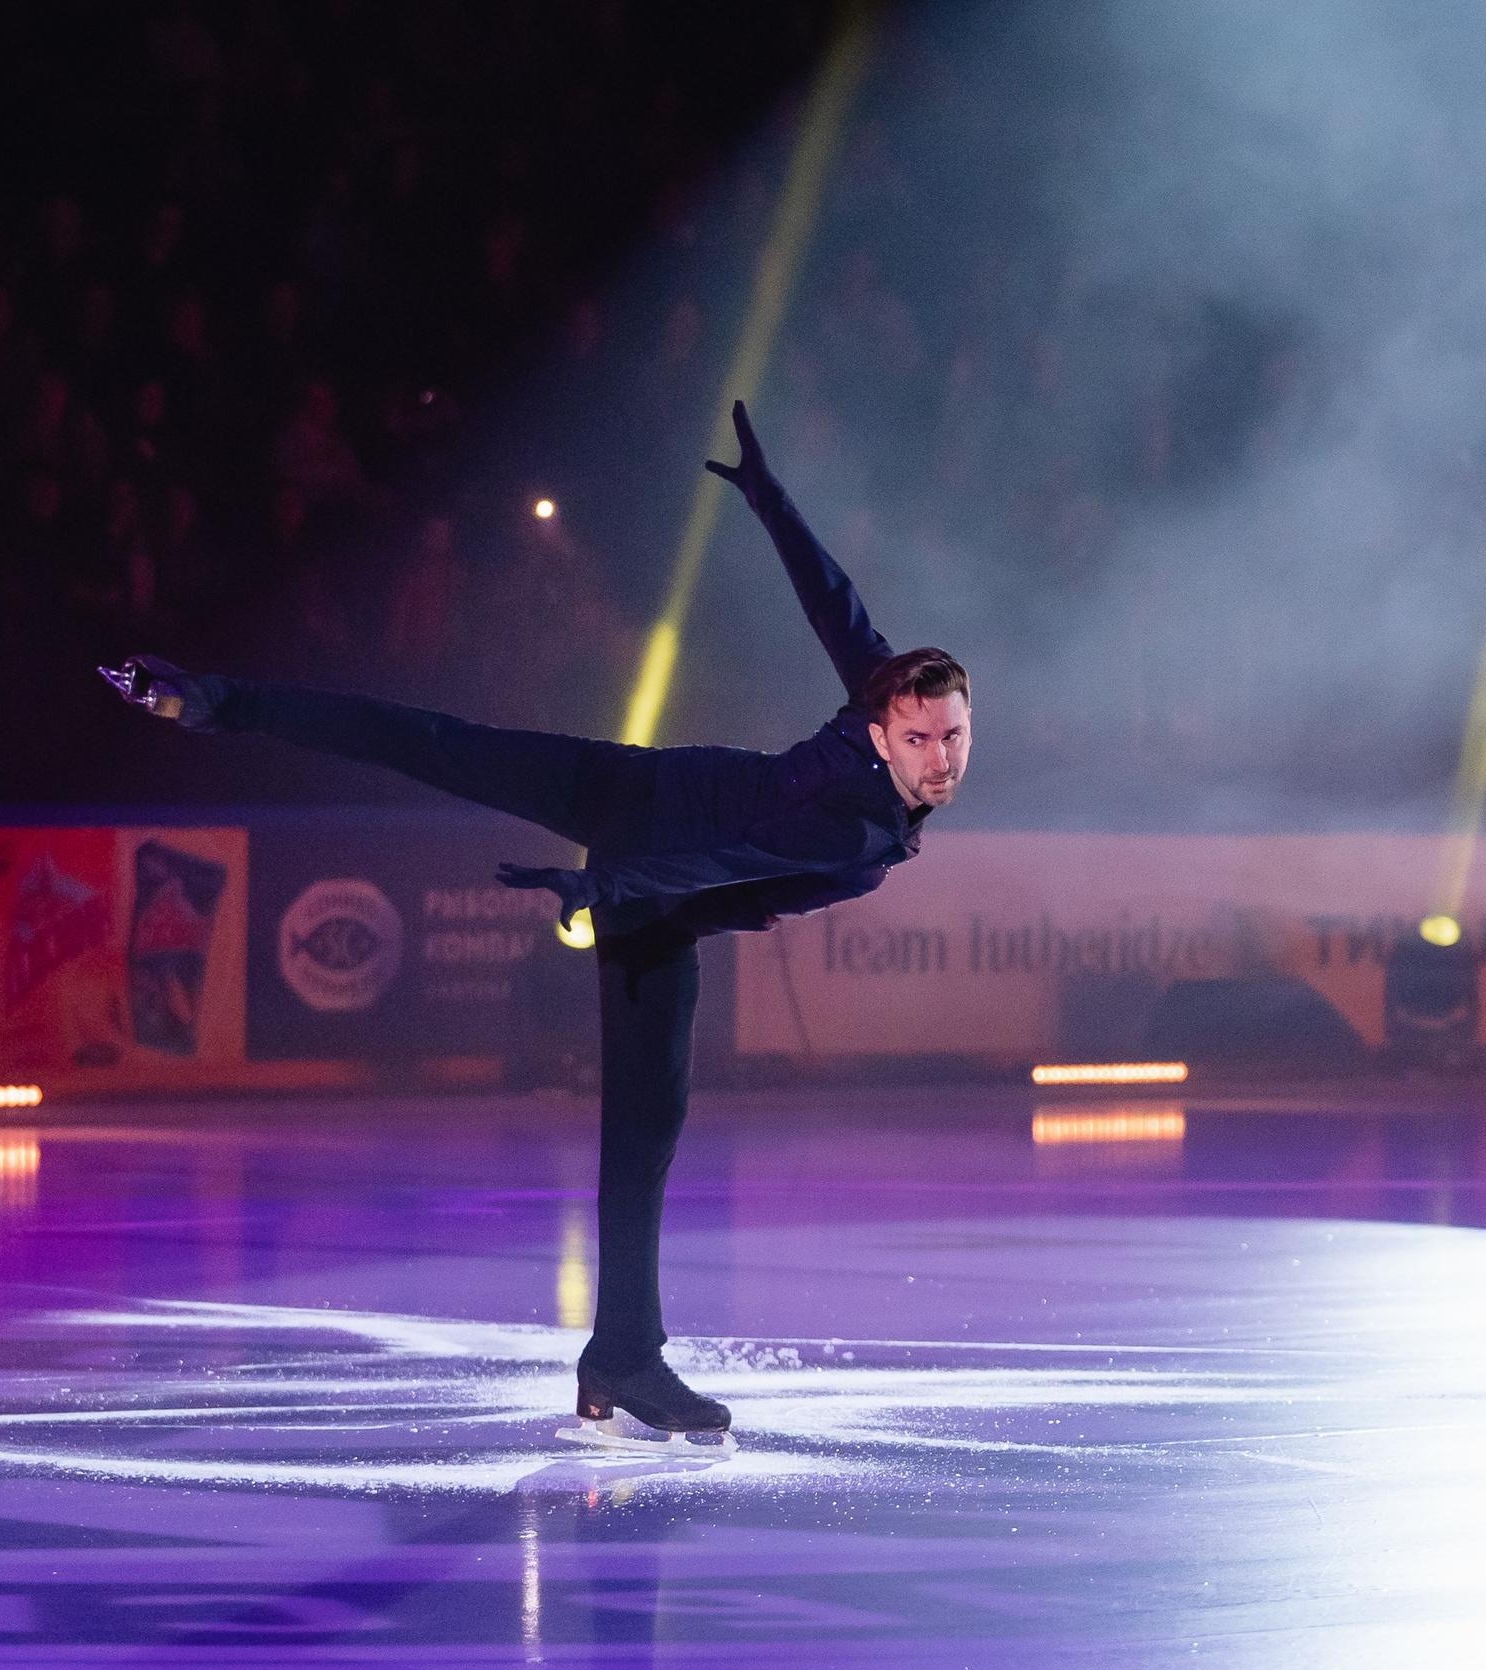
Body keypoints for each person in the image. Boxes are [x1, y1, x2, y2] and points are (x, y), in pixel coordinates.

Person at [102, 402, 971, 1450]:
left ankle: (208, 700)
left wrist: (774, 506)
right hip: (650, 864)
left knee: (441, 752)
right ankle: (623, 1359)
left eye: (953, 735)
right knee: (641, 1117)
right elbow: (740, 854)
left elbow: (830, 638)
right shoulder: (866, 824)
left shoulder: (884, 734)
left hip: (636, 815)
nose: (940, 757)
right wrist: (611, 893)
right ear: (884, 726)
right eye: (920, 736)